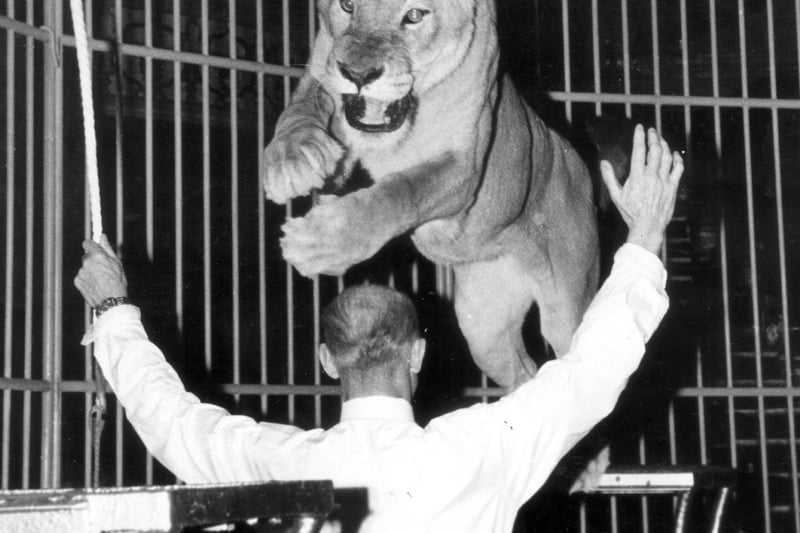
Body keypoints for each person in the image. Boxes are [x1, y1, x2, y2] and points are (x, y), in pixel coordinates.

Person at [74, 125, 683, 533]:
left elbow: (169, 418)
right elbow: (591, 369)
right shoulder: (480, 448)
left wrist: (112, 307)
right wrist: (645, 235)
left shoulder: (279, 463)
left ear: (327, 360)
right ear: (418, 355)